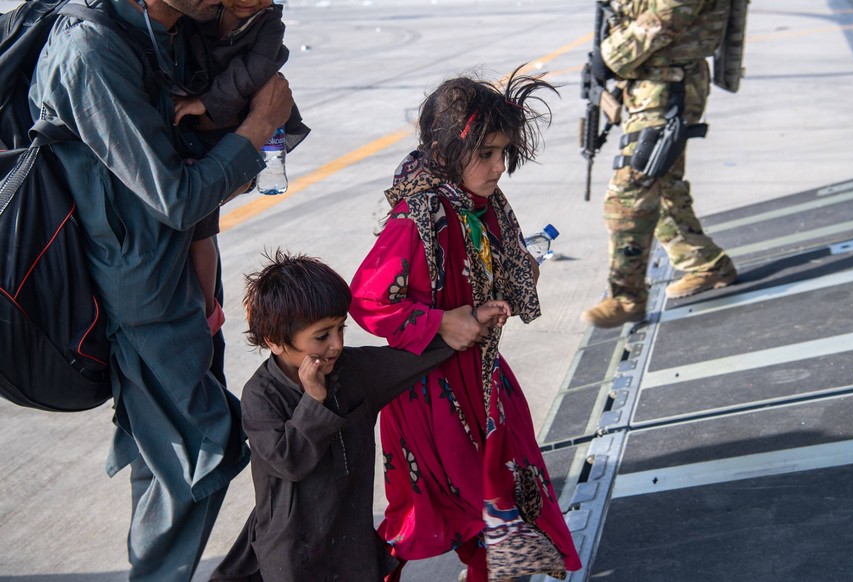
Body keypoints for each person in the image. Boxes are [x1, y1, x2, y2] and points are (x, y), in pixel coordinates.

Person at [28, 0, 294, 579]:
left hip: (180, 272)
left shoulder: (175, 28)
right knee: (202, 447)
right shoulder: (91, 53)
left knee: (169, 449)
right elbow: (175, 195)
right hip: (139, 288)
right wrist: (256, 129)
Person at [349, 68, 582, 581]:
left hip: (482, 379)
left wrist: (505, 281)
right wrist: (440, 322)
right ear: (448, 150)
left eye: (505, 153)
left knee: (499, 503)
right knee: (440, 513)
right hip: (429, 395)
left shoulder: (484, 205)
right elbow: (368, 300)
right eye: (487, 153)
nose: (500, 166)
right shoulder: (418, 217)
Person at [208, 251, 511, 581]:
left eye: (341, 329)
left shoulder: (353, 371)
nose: (336, 345)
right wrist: (314, 401)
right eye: (322, 336)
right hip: (293, 553)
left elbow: (408, 360)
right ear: (275, 341)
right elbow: (289, 462)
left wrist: (467, 325)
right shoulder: (261, 395)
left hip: (351, 545)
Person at [580, 0, 737, 329]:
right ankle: (705, 263)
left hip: (670, 83)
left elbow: (670, 11)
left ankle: (627, 297)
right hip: (649, 81)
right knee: (662, 183)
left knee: (630, 191)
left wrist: (611, 56)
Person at [173, 0, 311, 336]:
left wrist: (204, 103)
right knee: (195, 220)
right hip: (196, 128)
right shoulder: (200, 12)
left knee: (202, 225)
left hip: (235, 123)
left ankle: (208, 309)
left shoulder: (269, 25)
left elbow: (252, 71)